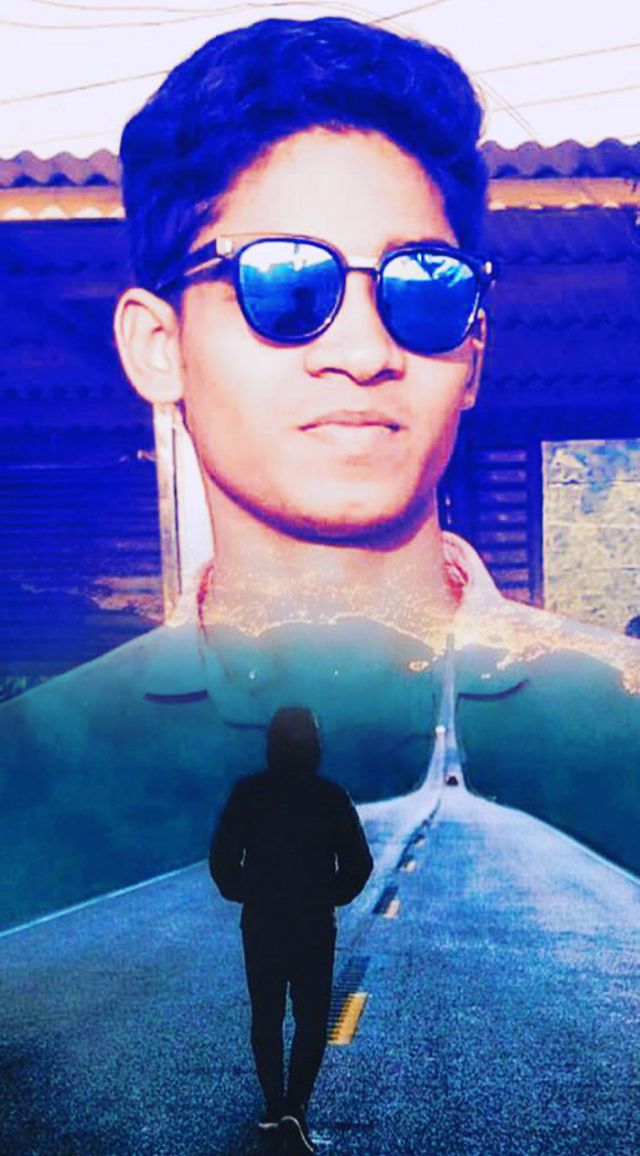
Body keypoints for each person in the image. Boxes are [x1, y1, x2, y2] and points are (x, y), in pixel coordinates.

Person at [1, 16, 639, 933]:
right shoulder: (32, 775)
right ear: (159, 346)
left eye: (424, 285)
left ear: (473, 353)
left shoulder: (621, 731)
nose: (364, 350)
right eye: (287, 284)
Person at [209, 706, 372, 1150]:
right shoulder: (330, 797)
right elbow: (359, 864)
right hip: (313, 923)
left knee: (266, 1015)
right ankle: (295, 1107)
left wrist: (249, 892)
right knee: (311, 1018)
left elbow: (222, 860)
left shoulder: (249, 794)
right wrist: (328, 895)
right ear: (314, 745)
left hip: (262, 921)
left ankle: (274, 1104)